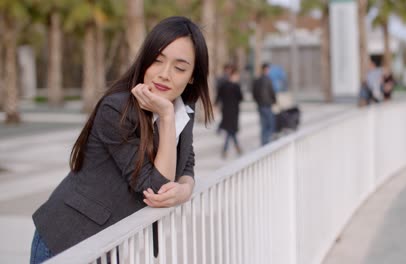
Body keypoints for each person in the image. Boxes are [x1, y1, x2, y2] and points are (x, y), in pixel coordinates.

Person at [30, 16, 213, 263]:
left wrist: (185, 190)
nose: (164, 75)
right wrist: (167, 117)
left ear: (192, 76)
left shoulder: (182, 108)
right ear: (144, 61)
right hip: (69, 240)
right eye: (157, 61)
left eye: (179, 68)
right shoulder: (117, 109)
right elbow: (155, 188)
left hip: (111, 245)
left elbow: (186, 161)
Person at [216, 66, 243, 158]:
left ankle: (236, 148)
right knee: (231, 131)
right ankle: (229, 149)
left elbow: (218, 96)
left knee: (230, 131)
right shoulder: (236, 86)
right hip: (234, 111)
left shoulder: (223, 86)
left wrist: (216, 105)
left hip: (226, 111)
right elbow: (240, 98)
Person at [252, 63, 276, 146]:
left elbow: (254, 93)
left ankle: (264, 142)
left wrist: (257, 101)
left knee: (264, 124)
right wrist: (274, 101)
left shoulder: (257, 80)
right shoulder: (267, 80)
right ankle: (266, 142)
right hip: (266, 104)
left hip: (261, 105)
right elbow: (271, 91)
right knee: (269, 124)